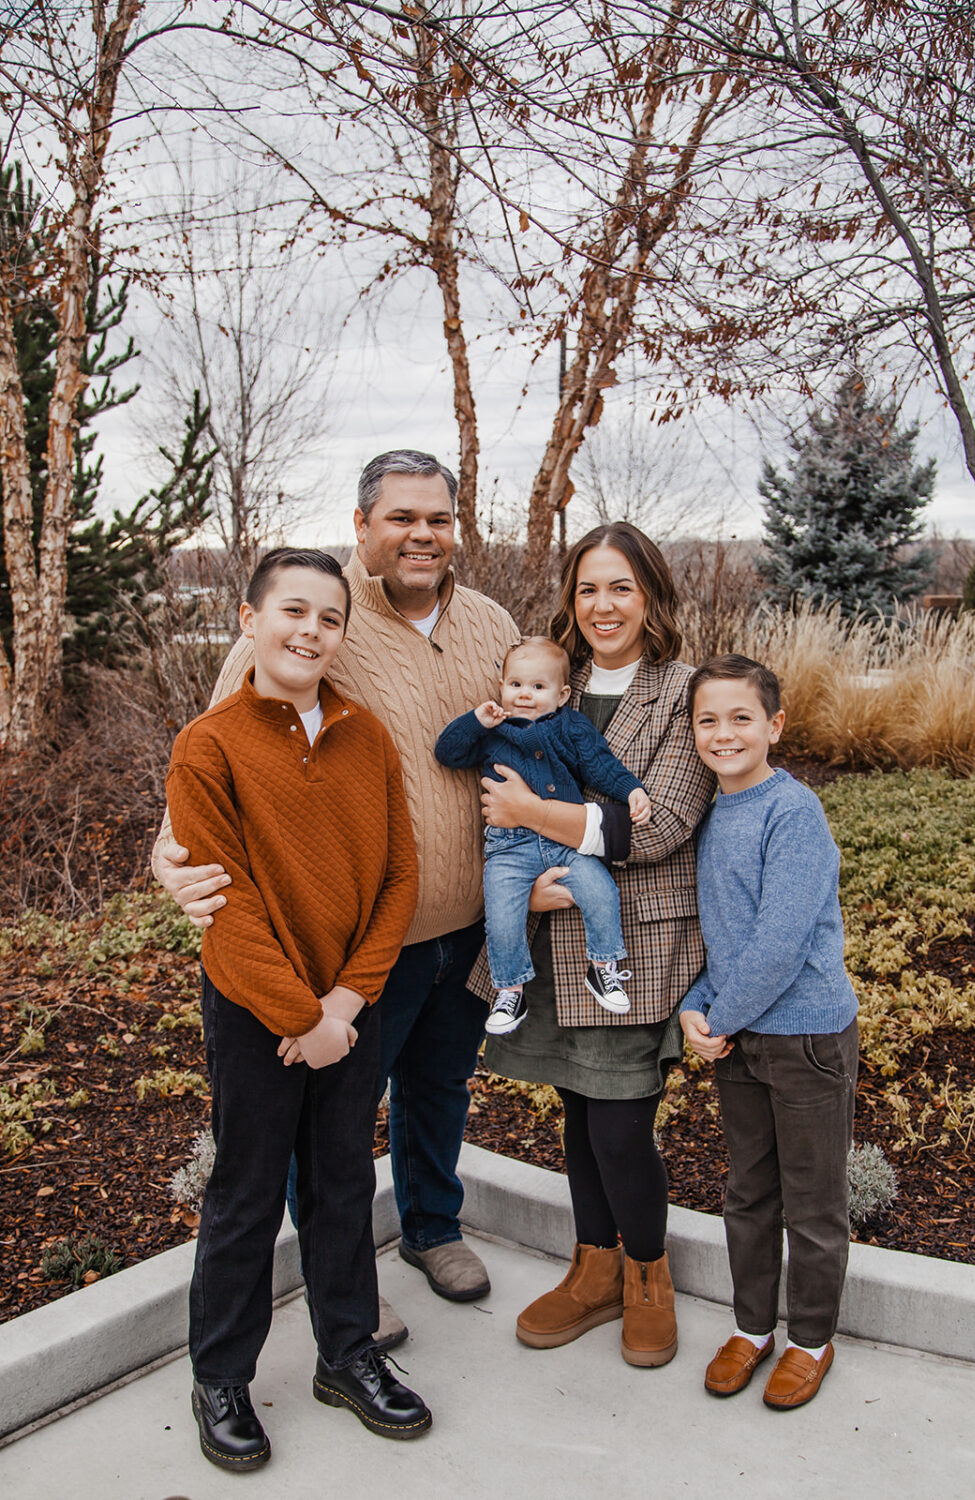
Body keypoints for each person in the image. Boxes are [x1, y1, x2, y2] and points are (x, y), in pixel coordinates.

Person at [153, 451, 520, 1345]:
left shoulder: (490, 622)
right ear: (363, 525)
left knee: (440, 1088)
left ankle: (432, 1226)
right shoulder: (313, 612)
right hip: (360, 941)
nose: (421, 535)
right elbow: (214, 759)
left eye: (437, 518)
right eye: (401, 518)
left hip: (468, 926)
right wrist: (168, 854)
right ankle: (344, 1269)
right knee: (335, 1119)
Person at [166, 549, 428, 1471]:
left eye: (329, 617)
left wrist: (346, 1004)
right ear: (249, 619)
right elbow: (222, 903)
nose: (310, 629)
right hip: (256, 1008)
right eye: (293, 611)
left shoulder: (367, 736)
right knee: (245, 1191)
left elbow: (400, 874)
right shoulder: (210, 745)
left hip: (352, 1004)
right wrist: (299, 1018)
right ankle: (221, 1375)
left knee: (342, 1183)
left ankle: (347, 1353)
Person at [470, 522, 716, 1369]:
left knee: (618, 1121)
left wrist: (535, 820)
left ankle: (649, 1274)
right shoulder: (548, 687)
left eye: (620, 587)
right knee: (575, 1112)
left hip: (634, 950)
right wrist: (521, 874)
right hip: (549, 935)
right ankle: (594, 1266)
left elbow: (663, 826)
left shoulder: (685, 691)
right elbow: (490, 788)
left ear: (651, 594)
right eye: (587, 589)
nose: (603, 606)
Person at [678, 654, 859, 1410]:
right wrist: (696, 1000)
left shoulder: (793, 813)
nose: (724, 734)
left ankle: (810, 1341)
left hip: (807, 1037)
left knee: (813, 1202)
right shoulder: (714, 810)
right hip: (741, 1036)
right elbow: (722, 932)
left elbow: (781, 941)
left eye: (741, 718)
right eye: (708, 720)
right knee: (749, 1190)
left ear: (774, 726)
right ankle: (752, 1328)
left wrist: (718, 1015)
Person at [435, 635, 651, 1036]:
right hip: (508, 849)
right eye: (516, 685)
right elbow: (448, 753)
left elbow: (600, 766)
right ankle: (509, 991)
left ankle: (604, 967)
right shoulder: (493, 729)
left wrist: (631, 789)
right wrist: (474, 722)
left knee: (601, 892)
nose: (525, 696)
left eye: (538, 687)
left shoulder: (571, 726)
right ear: (502, 687)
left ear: (562, 693)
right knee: (502, 917)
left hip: (566, 843)